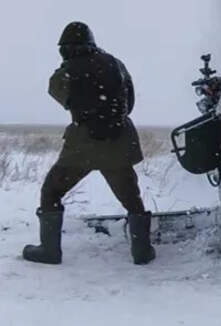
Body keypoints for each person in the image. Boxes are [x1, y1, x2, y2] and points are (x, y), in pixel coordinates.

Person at [22, 21, 155, 265]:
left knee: (51, 191)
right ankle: (142, 251)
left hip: (82, 146)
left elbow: (58, 93)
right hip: (118, 143)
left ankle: (50, 251)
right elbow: (130, 102)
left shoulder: (66, 73)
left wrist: (73, 71)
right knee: (132, 200)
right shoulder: (116, 64)